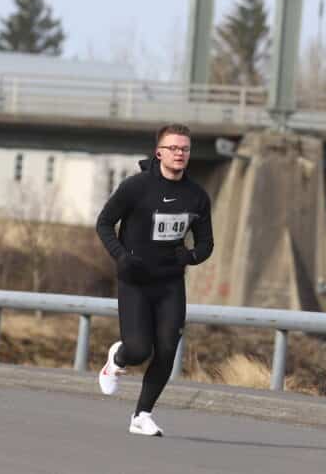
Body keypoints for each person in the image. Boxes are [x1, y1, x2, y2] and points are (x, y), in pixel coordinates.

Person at [94, 123, 214, 437]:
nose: (179, 153)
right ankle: (117, 359)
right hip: (135, 279)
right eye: (173, 148)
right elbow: (104, 223)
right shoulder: (136, 187)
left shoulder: (196, 196)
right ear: (159, 152)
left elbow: (206, 244)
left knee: (167, 349)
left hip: (170, 283)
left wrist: (188, 257)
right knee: (138, 350)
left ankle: (142, 415)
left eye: (185, 149)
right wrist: (121, 256)